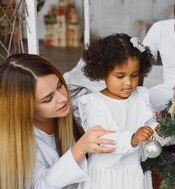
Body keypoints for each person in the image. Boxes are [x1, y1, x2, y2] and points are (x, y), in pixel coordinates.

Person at [0, 54, 116, 189]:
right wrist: (79, 149)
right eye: (48, 99)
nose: (62, 98)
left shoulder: (79, 106)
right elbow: (39, 186)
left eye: (59, 85)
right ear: (26, 108)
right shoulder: (20, 144)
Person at [76, 34, 159, 189]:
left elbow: (150, 126)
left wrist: (157, 129)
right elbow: (101, 139)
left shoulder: (140, 97)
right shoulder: (94, 103)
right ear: (103, 72)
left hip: (133, 171)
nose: (128, 83)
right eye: (120, 76)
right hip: (106, 175)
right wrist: (133, 138)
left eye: (134, 75)